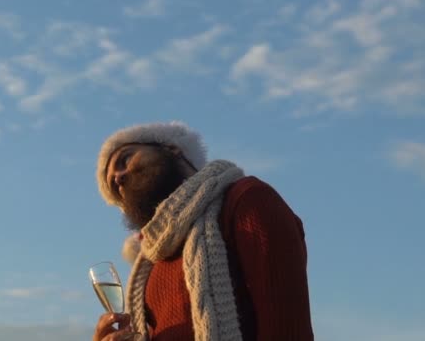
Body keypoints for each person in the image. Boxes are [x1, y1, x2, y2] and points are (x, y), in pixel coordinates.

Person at [93, 121, 314, 341]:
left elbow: (287, 329)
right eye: (113, 185)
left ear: (171, 148)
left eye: (125, 159)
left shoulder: (245, 200)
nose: (118, 177)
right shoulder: (147, 264)